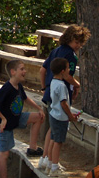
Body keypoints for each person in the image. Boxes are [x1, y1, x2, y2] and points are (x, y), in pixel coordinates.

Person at [0, 59, 45, 178]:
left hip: (16, 118)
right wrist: (3, 118)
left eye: (24, 69)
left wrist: (39, 108)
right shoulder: (7, 88)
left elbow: (25, 98)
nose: (25, 71)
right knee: (4, 154)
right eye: (22, 69)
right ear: (13, 72)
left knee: (38, 117)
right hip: (5, 125)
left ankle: (32, 148)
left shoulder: (18, 86)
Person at [38, 25, 91, 170]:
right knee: (57, 131)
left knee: (52, 127)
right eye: (76, 42)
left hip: (50, 92)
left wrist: (44, 88)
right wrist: (77, 85)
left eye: (80, 43)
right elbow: (67, 76)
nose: (78, 45)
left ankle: (45, 158)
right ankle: (51, 162)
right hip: (61, 95)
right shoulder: (70, 56)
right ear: (69, 39)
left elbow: (42, 70)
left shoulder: (56, 50)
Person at [39, 57, 80, 176]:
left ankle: (49, 164)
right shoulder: (62, 86)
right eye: (67, 68)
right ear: (63, 71)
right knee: (58, 142)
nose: (69, 70)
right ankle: (54, 167)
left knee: (53, 139)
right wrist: (70, 116)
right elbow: (63, 103)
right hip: (60, 117)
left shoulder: (53, 82)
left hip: (54, 114)